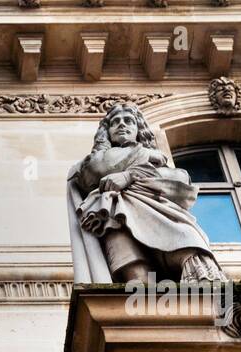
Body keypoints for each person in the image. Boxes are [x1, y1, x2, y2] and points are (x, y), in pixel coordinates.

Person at [67, 102, 224, 283]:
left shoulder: (154, 155)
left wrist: (129, 176)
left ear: (138, 128)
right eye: (115, 122)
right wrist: (143, 157)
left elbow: (179, 179)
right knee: (137, 279)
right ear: (107, 132)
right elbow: (99, 169)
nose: (122, 124)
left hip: (160, 213)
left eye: (128, 120)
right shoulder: (96, 161)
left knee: (188, 245)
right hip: (115, 217)